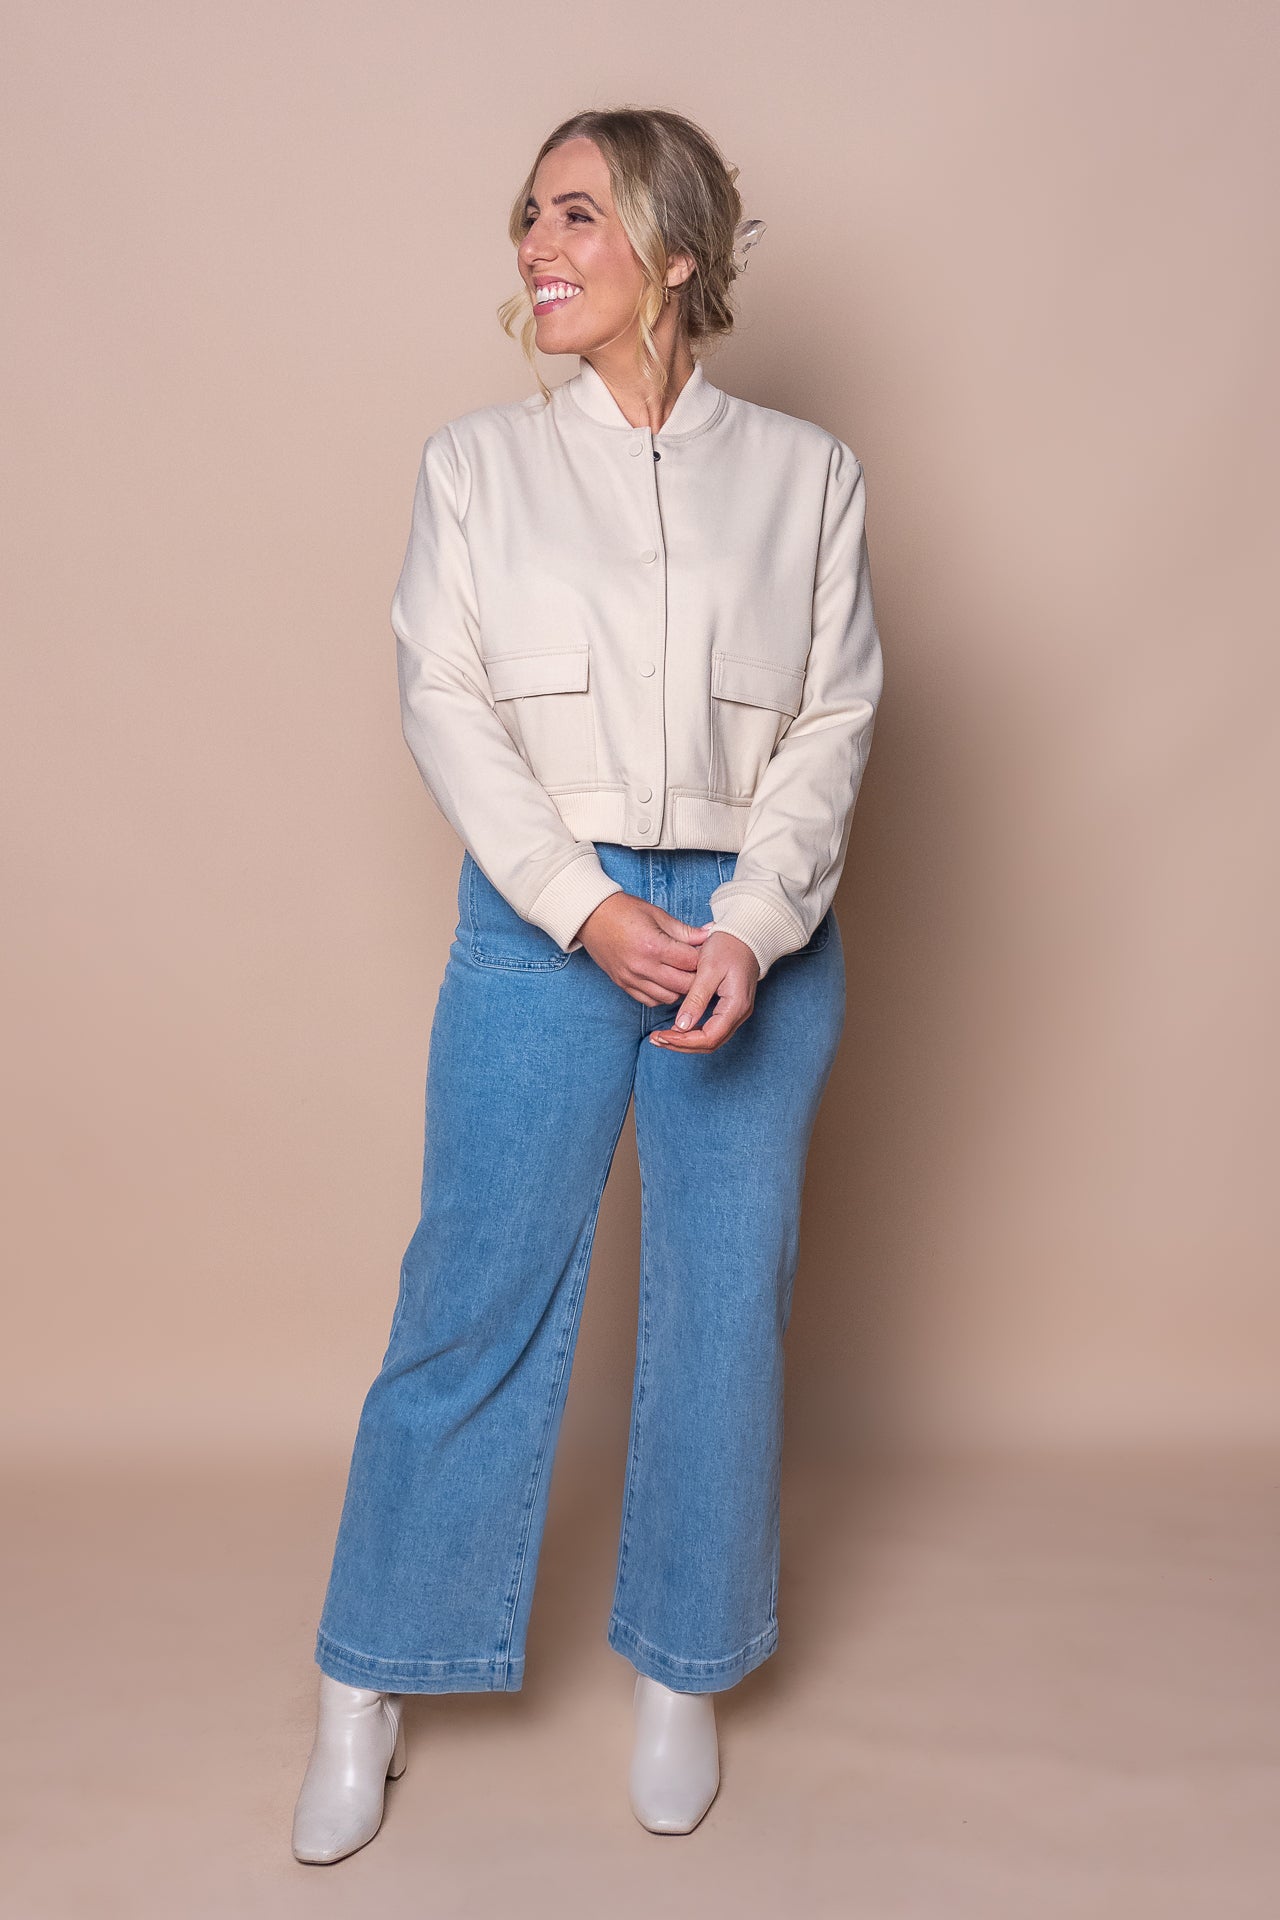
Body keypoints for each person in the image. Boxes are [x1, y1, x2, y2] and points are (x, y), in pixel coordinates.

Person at [292, 105, 884, 1863]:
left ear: (673, 252)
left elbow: (835, 718)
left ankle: (683, 1671)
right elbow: (445, 701)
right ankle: (365, 1680)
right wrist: (581, 904)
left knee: (721, 1315)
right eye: (529, 218)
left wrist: (752, 922)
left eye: (574, 216)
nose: (534, 248)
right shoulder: (477, 467)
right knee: (470, 1297)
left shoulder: (809, 476)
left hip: (752, 932)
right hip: (544, 920)